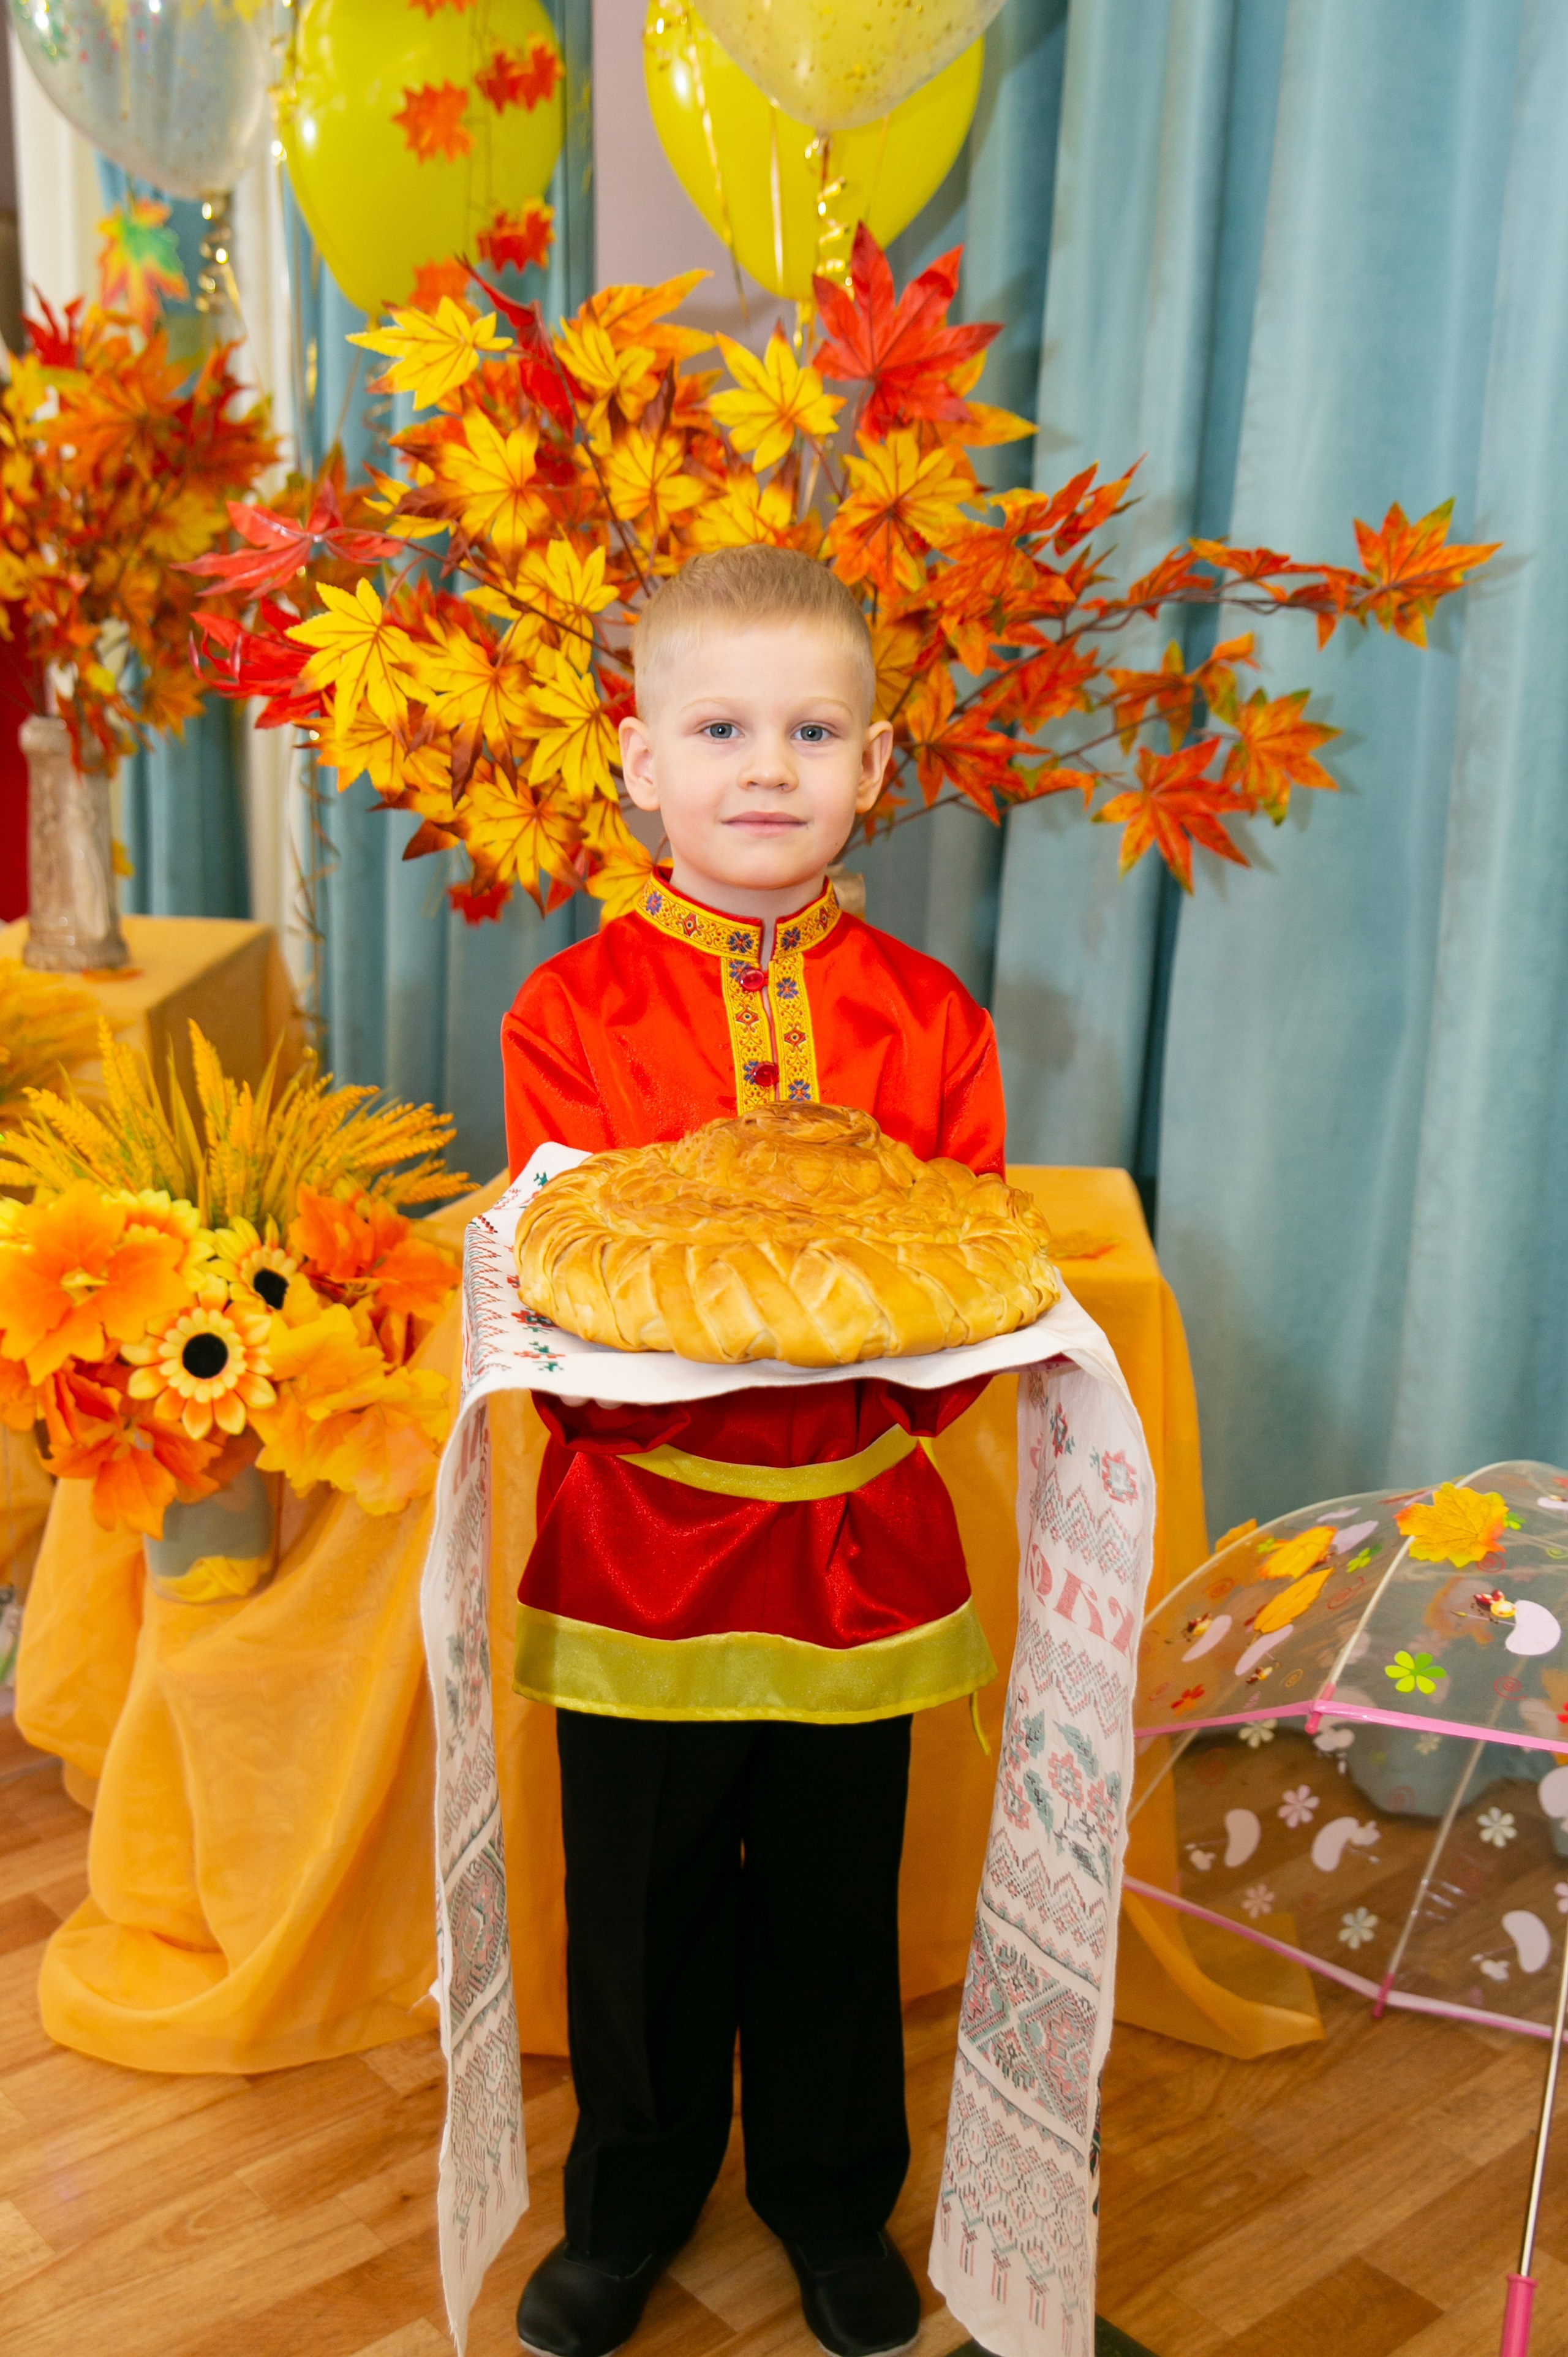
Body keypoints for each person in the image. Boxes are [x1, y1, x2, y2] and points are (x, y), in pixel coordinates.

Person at [501, 545, 1007, 2357]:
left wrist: (890, 1353)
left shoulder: (933, 1021)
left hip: (858, 1547)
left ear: (876, 768)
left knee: (827, 1899)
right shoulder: (568, 1016)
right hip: (641, 1540)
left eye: (814, 729)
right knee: (633, 1910)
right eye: (721, 726)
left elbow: (967, 1295)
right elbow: (567, 1293)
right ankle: (628, 2201)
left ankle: (827, 2196)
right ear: (638, 760)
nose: (769, 767)